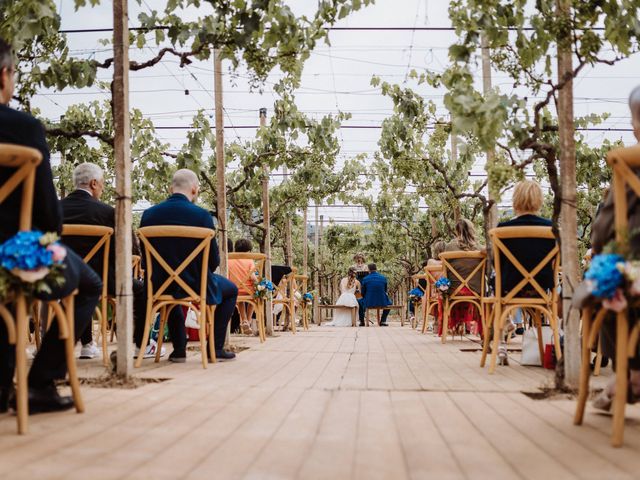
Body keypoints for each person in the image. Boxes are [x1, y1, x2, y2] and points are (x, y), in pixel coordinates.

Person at [0, 38, 102, 413]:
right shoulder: (24, 128)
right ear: (4, 74)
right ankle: (41, 383)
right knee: (88, 282)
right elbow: (46, 212)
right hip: (12, 253)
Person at [60, 163, 163, 359]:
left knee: (81, 285)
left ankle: (87, 345)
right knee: (141, 288)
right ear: (93, 183)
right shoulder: (107, 213)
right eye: (102, 184)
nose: (103, 188)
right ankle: (139, 345)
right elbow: (121, 252)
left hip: (60, 277)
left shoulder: (56, 209)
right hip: (102, 279)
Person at [139, 169, 238, 362]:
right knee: (231, 290)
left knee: (172, 290)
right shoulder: (202, 217)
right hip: (195, 283)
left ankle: (179, 350)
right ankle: (214, 348)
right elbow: (213, 262)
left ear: (170, 188)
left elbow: (145, 260)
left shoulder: (148, 215)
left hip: (158, 284)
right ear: (194, 190)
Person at [587, 85, 640, 410]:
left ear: (636, 126)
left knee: (604, 289)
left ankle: (628, 372)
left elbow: (602, 232)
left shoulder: (630, 164)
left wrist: (600, 250)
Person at [442, 219, 483, 336]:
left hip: (454, 290)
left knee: (442, 290)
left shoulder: (449, 247)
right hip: (476, 290)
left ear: (456, 231)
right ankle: (483, 329)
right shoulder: (480, 248)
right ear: (472, 230)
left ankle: (451, 327)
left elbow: (445, 269)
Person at [227, 238, 258, 335]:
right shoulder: (249, 260)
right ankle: (247, 321)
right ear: (248, 250)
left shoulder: (229, 260)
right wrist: (259, 284)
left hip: (234, 290)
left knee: (240, 301)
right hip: (248, 291)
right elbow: (253, 278)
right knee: (254, 298)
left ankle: (244, 320)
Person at [351, 253, 369, 326]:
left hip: (363, 284)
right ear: (356, 259)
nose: (359, 259)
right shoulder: (353, 266)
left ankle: (363, 314)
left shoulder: (365, 266)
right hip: (355, 284)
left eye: (360, 258)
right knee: (357, 300)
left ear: (362, 259)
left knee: (363, 299)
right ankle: (358, 317)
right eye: (358, 258)